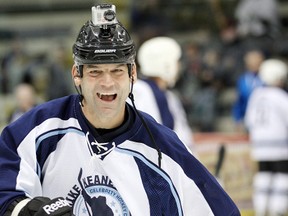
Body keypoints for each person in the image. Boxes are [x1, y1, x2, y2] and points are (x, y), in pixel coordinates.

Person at [0, 4, 240, 215]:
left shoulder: (164, 149)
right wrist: (32, 211)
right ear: (77, 75)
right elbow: (5, 192)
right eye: (95, 72)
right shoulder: (37, 129)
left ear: (132, 74)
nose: (107, 82)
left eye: (117, 71)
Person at [131, 36, 194, 149]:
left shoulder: (168, 96)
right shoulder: (139, 91)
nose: (179, 66)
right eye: (177, 61)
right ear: (166, 63)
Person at [245, 59, 288, 216]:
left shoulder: (256, 95)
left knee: (263, 175)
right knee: (282, 176)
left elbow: (248, 120)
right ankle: (278, 209)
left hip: (260, 145)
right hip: (280, 145)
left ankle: (261, 209)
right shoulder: (280, 95)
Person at [232, 49, 264, 132]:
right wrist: (238, 120)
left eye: (256, 60)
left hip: (265, 118)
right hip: (248, 119)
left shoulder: (267, 78)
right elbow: (239, 101)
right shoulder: (243, 80)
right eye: (251, 61)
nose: (254, 63)